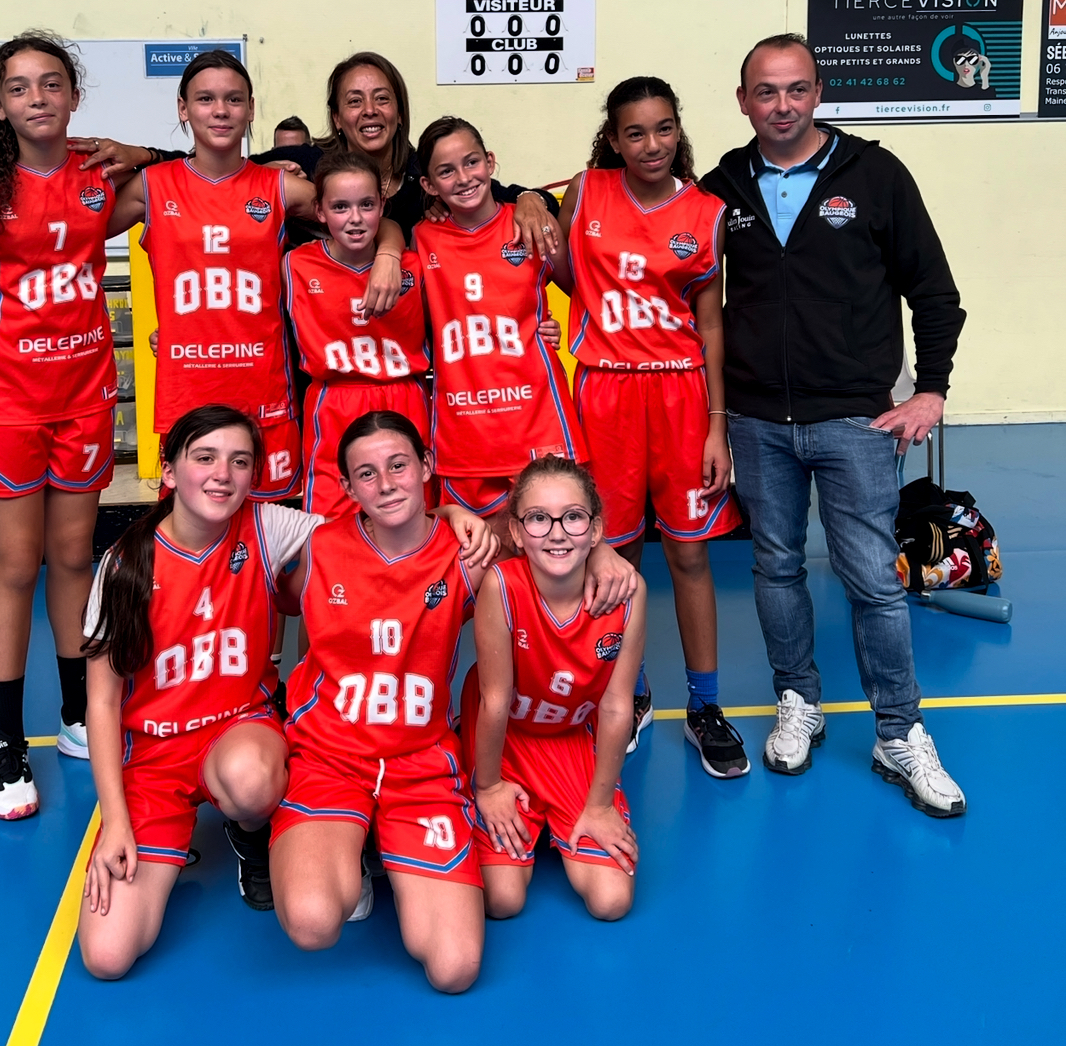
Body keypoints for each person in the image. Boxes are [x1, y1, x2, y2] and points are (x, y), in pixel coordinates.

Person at [699, 34, 966, 815]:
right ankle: (798, 701)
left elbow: (935, 292)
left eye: (796, 89)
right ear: (743, 100)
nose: (781, 105)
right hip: (757, 419)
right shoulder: (722, 187)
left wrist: (931, 391)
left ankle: (899, 732)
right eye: (765, 91)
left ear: (818, 93)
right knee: (776, 567)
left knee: (873, 582)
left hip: (857, 419)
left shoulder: (876, 175)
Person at [0, 32, 125, 818]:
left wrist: (141, 150)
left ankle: (76, 711)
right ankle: (5, 740)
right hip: (7, 400)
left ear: (74, 96)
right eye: (19, 87)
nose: (37, 98)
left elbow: (192, 178)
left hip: (84, 395)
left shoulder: (101, 175)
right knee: (15, 564)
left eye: (51, 83)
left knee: (74, 556)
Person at [77, 406, 321, 977]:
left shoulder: (266, 527)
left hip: (239, 732)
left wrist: (450, 513)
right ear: (169, 471)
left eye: (240, 461)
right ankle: (165, 835)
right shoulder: (124, 566)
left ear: (254, 474)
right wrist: (116, 821)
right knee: (108, 956)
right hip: (154, 759)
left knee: (250, 781)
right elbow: (102, 703)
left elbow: (372, 527)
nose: (222, 475)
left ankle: (251, 831)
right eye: (205, 457)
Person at [558, 77, 750, 777]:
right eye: (634, 132)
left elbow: (711, 324)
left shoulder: (706, 212)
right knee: (615, 555)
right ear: (613, 139)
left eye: (663, 128)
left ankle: (705, 706)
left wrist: (716, 425)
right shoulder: (586, 192)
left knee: (689, 555)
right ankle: (630, 692)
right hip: (605, 392)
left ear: (678, 129)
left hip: (680, 396)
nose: (651, 144)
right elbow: (557, 268)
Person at [107, 50, 405, 501]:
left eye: (234, 99)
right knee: (194, 531)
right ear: (183, 108)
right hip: (189, 395)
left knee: (268, 535)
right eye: (205, 99)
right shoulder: (152, 185)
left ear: (250, 109)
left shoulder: (278, 186)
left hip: (264, 395)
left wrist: (389, 253)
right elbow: (74, 235)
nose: (221, 110)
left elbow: (365, 213)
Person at [268, 411, 496, 993]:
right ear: (347, 488)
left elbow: (550, 535)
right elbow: (277, 595)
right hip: (329, 756)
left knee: (454, 969)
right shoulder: (321, 546)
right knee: (313, 922)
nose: (387, 483)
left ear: (427, 466)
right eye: (366, 474)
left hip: (420, 764)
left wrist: (604, 556)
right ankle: (351, 846)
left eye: (399, 465)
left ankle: (380, 843)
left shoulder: (467, 552)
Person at [76, 51, 560, 253]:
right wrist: (149, 155)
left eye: (382, 98)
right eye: (354, 101)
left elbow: (499, 193)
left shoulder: (427, 174)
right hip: (311, 350)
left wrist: (532, 199)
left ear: (399, 110)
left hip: (405, 353)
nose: (369, 111)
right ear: (336, 116)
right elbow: (213, 170)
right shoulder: (305, 166)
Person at [462, 456, 645, 922]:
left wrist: (599, 807)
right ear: (517, 531)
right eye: (539, 518)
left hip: (569, 738)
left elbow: (616, 706)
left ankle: (569, 814)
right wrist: (488, 786)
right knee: (502, 900)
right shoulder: (502, 586)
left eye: (573, 517)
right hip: (507, 740)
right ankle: (516, 813)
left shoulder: (627, 593)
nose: (557, 533)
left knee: (611, 901)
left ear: (596, 529)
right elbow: (494, 701)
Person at [414, 116, 581, 540]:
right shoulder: (422, 238)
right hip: (465, 431)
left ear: (490, 162)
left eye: (471, 162)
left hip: (537, 421)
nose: (463, 177)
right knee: (479, 557)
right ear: (429, 185)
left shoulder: (531, 225)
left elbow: (585, 293)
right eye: (446, 171)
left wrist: (553, 329)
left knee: (556, 548)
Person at [283, 153, 431, 518]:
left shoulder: (415, 266)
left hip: (405, 397)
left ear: (382, 205)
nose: (355, 218)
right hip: (335, 401)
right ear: (319, 211)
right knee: (331, 521)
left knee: (411, 515)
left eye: (366, 205)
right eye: (340, 207)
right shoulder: (294, 265)